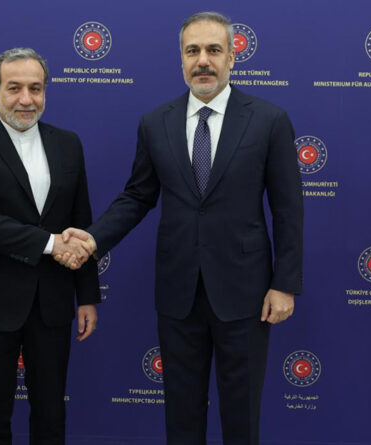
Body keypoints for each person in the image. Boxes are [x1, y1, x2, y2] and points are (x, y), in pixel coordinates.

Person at [59, 12, 303, 445]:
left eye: (213, 50)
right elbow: (137, 196)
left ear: (232, 57)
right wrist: (94, 239)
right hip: (178, 292)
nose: (203, 60)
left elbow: (288, 209)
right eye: (193, 51)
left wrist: (284, 284)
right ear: (182, 59)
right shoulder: (156, 123)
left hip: (246, 294)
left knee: (242, 414)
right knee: (182, 413)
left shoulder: (269, 120)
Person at [0, 47, 100, 445]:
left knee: (51, 413)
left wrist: (86, 296)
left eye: (35, 88)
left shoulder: (68, 143)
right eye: (14, 88)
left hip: (52, 300)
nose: (26, 99)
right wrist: (50, 243)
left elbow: (80, 223)